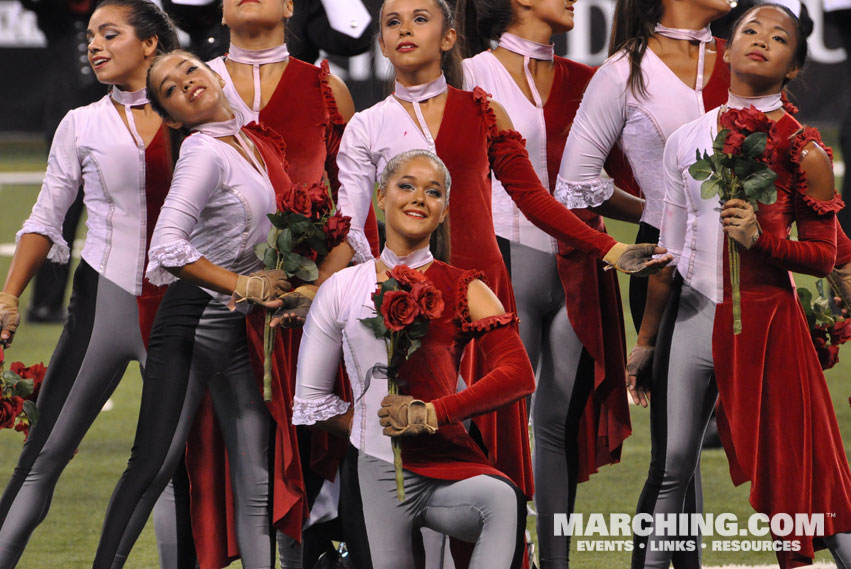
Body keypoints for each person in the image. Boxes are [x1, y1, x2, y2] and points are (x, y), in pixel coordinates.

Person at [323, 0, 669, 529]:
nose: (404, 29)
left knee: (489, 442)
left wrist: (612, 249)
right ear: (382, 44)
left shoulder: (482, 109)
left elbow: (535, 199)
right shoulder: (366, 126)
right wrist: (332, 295)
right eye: (392, 22)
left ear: (448, 38)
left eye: (420, 18)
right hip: (402, 307)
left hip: (483, 298)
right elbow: (351, 227)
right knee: (414, 452)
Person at [631, 5, 851, 567]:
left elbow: (825, 257)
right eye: (749, 30)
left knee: (802, 468)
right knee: (672, 464)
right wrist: (647, 339)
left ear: (794, 67)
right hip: (692, 319)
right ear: (724, 50)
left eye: (779, 38)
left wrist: (763, 242)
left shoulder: (806, 149)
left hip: (770, 323)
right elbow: (670, 255)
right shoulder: (685, 140)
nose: (760, 40)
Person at [0, 2, 188, 567]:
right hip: (101, 304)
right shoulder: (80, 122)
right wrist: (10, 294)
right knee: (43, 455)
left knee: (173, 468)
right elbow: (44, 217)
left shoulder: (197, 112)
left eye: (111, 34)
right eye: (90, 37)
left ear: (151, 44)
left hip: (181, 311)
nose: (95, 46)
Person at [90, 49, 295, 569]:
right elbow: (168, 247)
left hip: (237, 330)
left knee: (255, 480)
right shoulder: (204, 151)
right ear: (174, 117)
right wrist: (245, 285)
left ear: (213, 74)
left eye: (189, 70)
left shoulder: (247, 140)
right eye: (170, 90)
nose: (185, 83)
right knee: (152, 466)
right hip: (193, 323)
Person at [456, 1, 644, 566]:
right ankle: (501, 554)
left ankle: (555, 562)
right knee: (495, 422)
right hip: (500, 261)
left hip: (579, 264)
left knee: (558, 426)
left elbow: (596, 187)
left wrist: (667, 216)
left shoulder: (589, 81)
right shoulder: (470, 74)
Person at [294, 149, 534, 569]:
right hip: (375, 469)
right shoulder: (340, 289)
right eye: (406, 186)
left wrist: (431, 414)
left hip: (447, 460)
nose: (419, 198)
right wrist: (372, 430)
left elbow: (518, 375)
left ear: (443, 212)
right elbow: (310, 401)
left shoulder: (466, 287)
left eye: (433, 192)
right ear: (381, 197)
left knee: (503, 499)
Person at [197, 2, 361, 566]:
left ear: (292, 5)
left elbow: (351, 206)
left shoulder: (326, 89)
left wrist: (322, 287)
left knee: (313, 444)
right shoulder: (192, 84)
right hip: (217, 302)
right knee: (219, 456)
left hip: (308, 303)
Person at [555, 0, 734, 332]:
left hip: (751, 256)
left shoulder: (743, 60)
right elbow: (574, 185)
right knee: (672, 383)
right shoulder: (622, 71)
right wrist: (657, 211)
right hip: (665, 261)